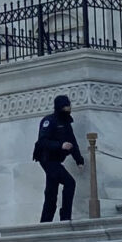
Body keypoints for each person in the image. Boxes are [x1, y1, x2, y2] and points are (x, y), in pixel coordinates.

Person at [33, 94, 83, 223]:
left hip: (56, 160)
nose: (67, 109)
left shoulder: (66, 123)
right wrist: (60, 145)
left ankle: (45, 221)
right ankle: (65, 217)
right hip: (47, 159)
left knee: (51, 192)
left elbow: (72, 142)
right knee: (70, 183)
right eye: (65, 107)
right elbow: (42, 142)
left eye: (68, 106)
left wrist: (79, 160)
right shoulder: (49, 121)